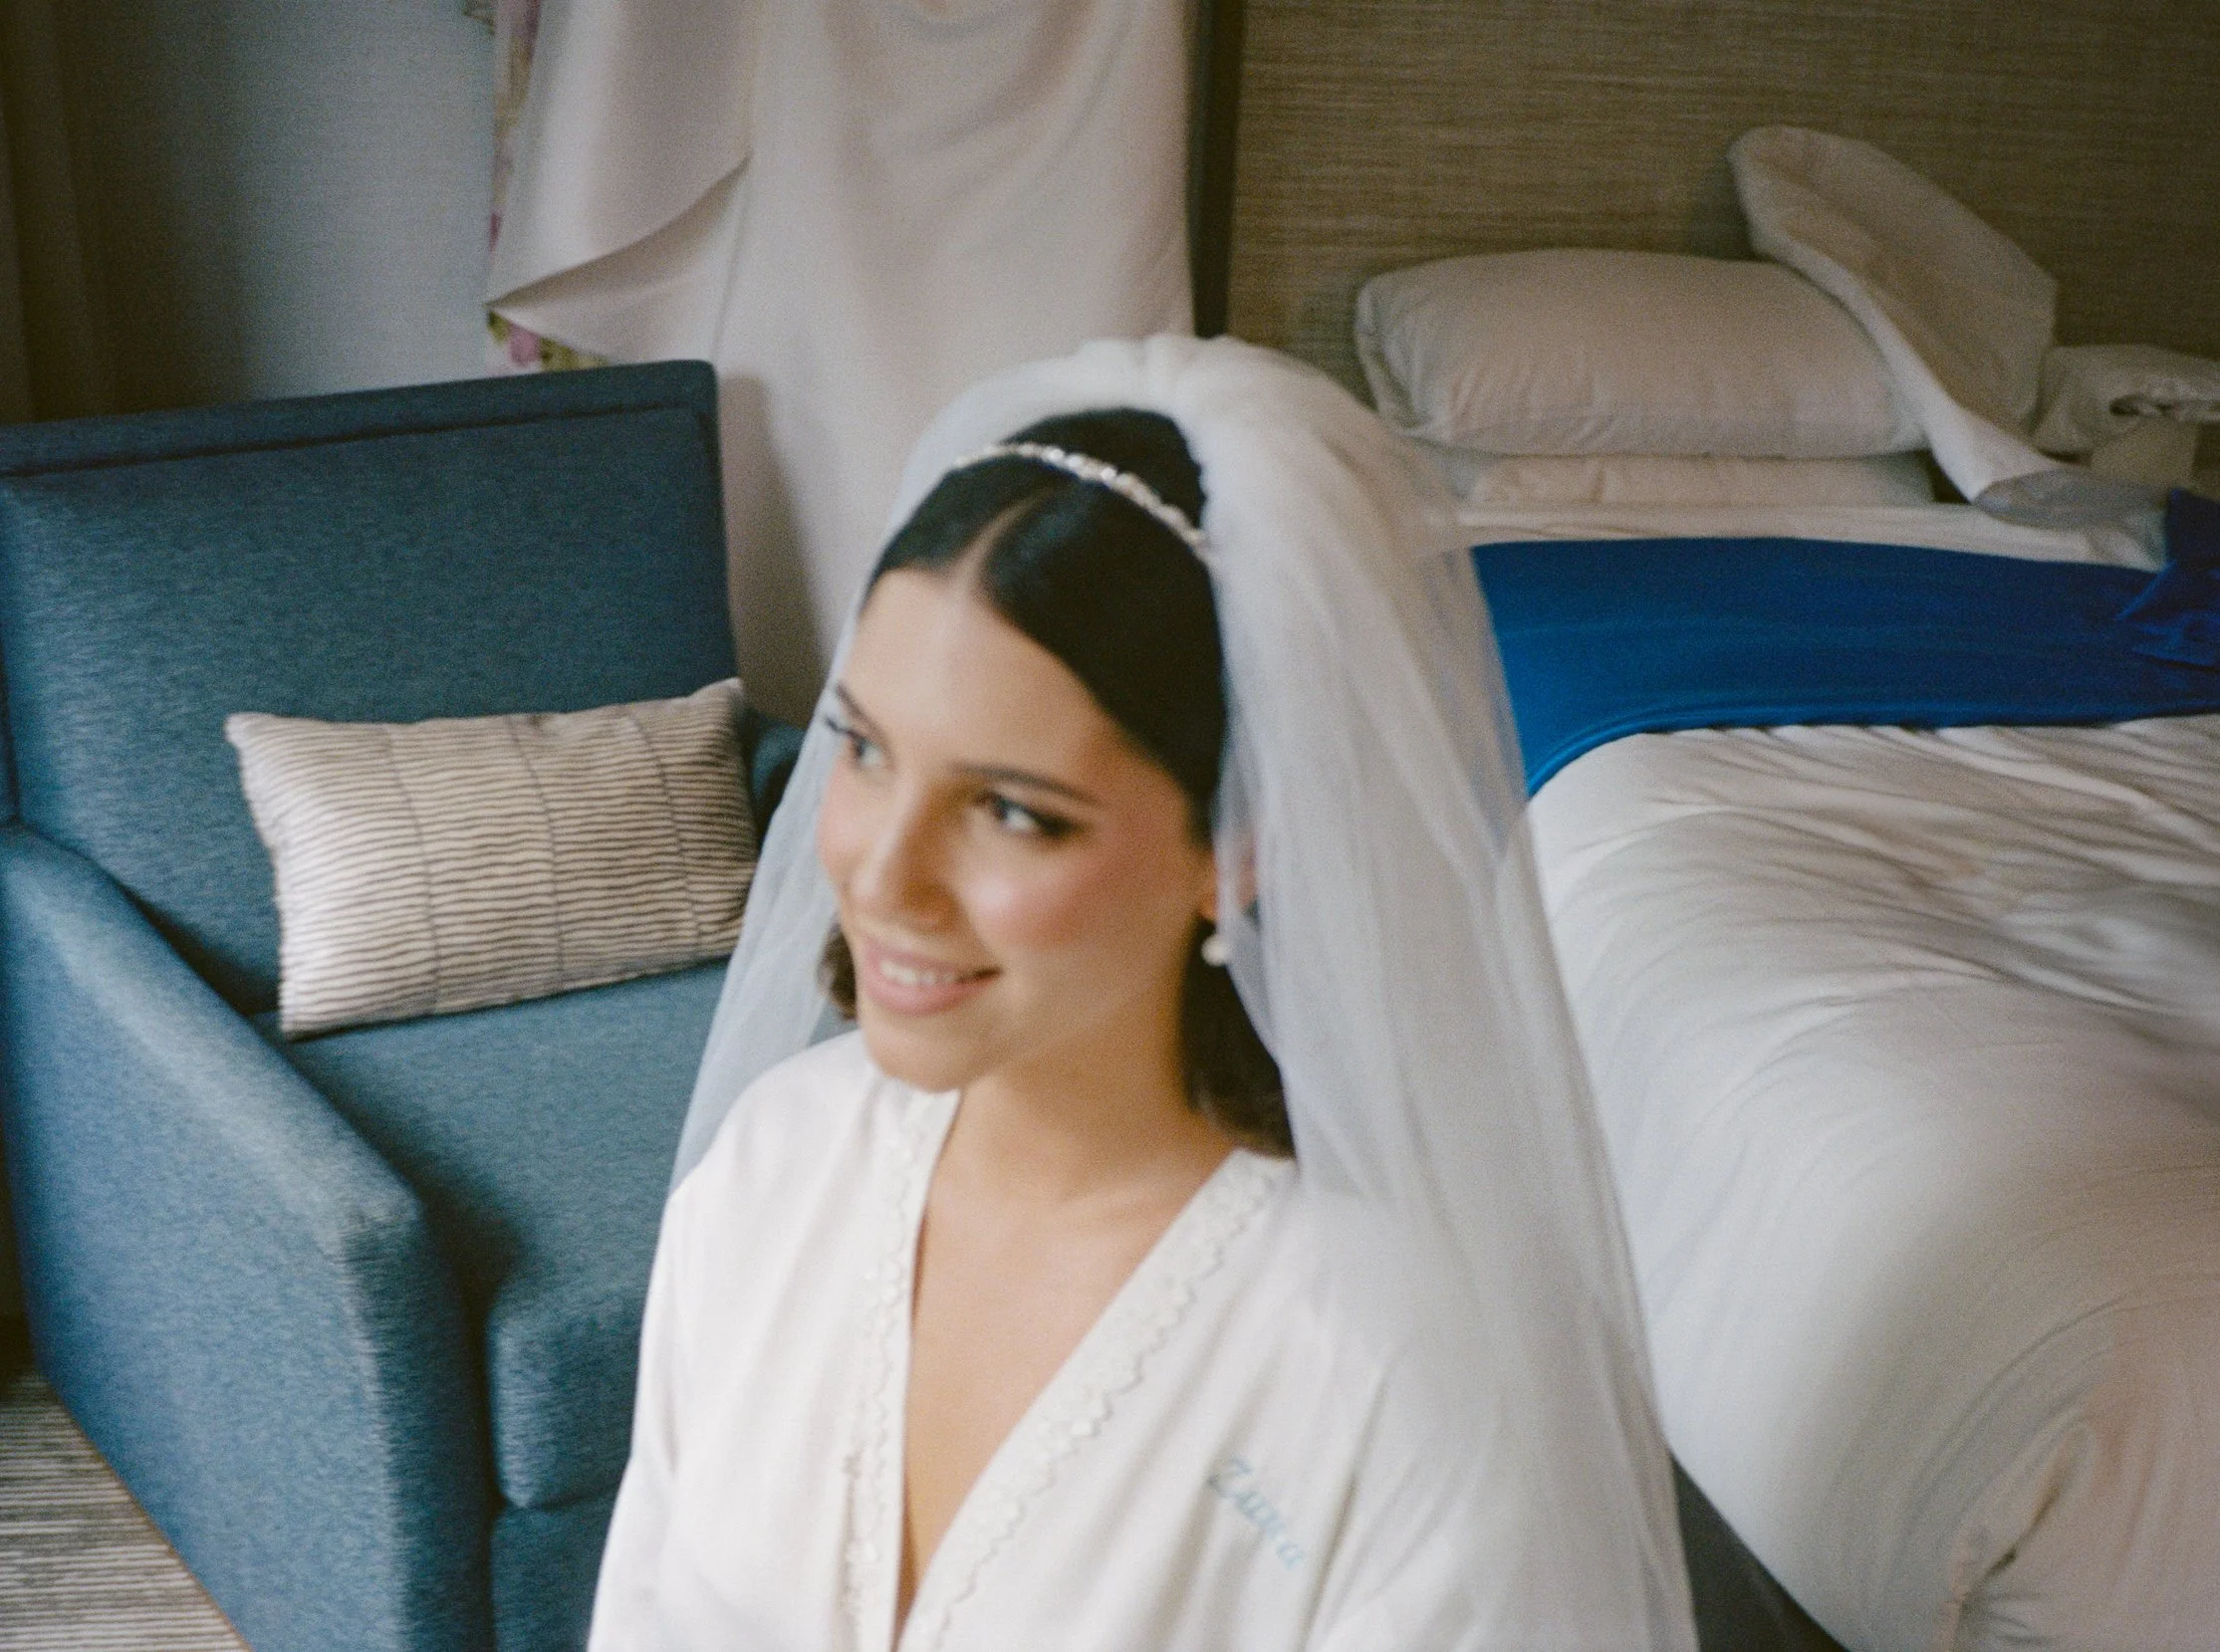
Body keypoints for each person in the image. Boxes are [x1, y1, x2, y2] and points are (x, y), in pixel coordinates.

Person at [589, 337, 1697, 1651]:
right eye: (867, 750)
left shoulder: (1401, 1370)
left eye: (1010, 810)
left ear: (1239, 844)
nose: (882, 875)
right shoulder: (774, 1166)